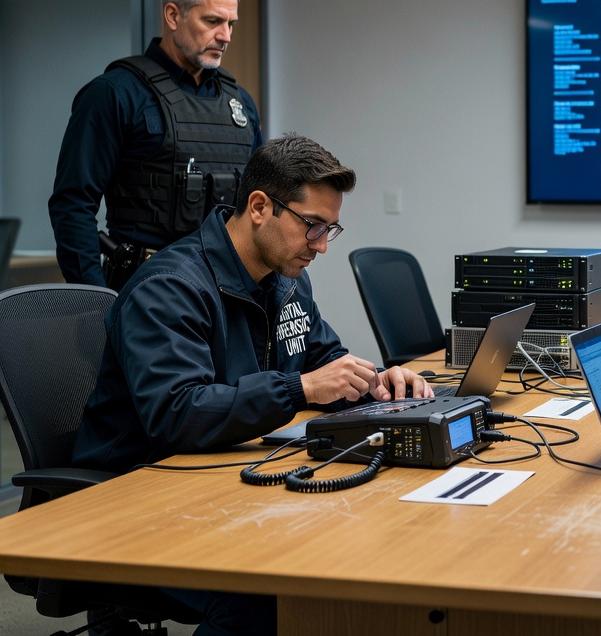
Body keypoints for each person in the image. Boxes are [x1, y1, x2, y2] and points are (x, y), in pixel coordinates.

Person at [72, 134, 431, 635]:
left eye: (332, 229)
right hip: (138, 498)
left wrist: (375, 381)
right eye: (312, 226)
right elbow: (178, 414)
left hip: (223, 474)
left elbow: (322, 354)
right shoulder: (170, 288)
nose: (322, 246)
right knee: (272, 586)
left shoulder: (286, 276)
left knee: (353, 542)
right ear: (260, 207)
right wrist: (300, 389)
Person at [50, 0, 263, 290]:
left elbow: (259, 203)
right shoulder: (115, 94)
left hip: (224, 289)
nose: (225, 36)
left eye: (231, 24)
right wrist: (95, 302)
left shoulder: (240, 104)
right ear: (173, 16)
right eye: (213, 21)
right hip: (144, 287)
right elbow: (73, 205)